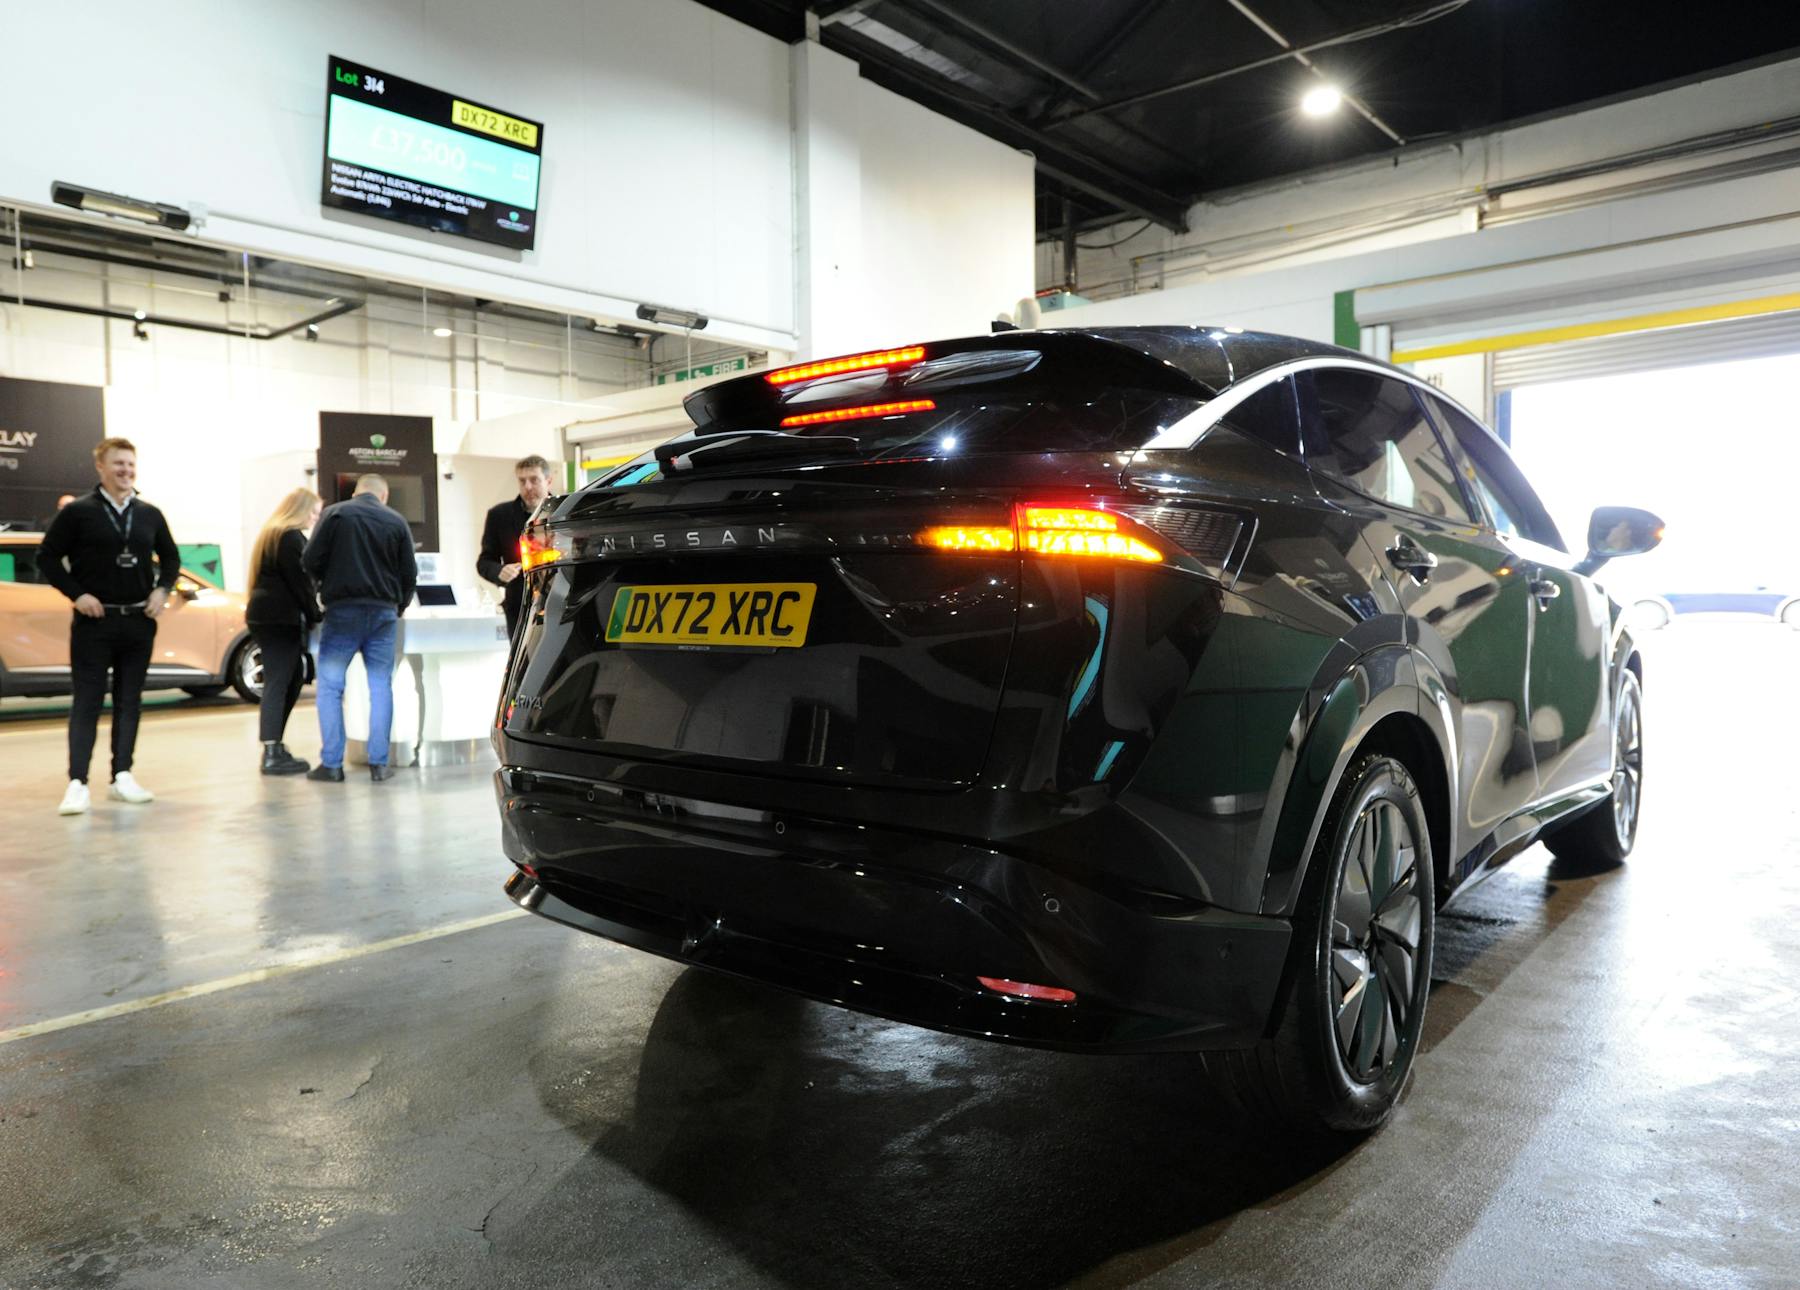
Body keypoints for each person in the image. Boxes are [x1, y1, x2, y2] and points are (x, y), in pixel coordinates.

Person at [40, 437, 180, 815]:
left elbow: (171, 557)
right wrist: (77, 594)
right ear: (100, 467)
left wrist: (162, 590)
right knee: (87, 701)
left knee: (129, 701)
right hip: (94, 624)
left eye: (130, 464)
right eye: (118, 464)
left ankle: (122, 775)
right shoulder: (78, 512)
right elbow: (47, 557)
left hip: (138, 622)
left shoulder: (150, 514)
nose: (126, 471)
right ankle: (77, 783)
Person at [302, 474, 417, 784]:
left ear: (356, 492)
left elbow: (309, 559)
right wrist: (399, 606)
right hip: (383, 614)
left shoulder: (335, 514)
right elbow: (409, 573)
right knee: (380, 687)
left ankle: (332, 765)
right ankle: (379, 764)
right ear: (384, 495)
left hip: (342, 611)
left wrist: (325, 581)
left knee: (330, 687)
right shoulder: (396, 521)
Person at [245, 487, 323, 775]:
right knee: (279, 681)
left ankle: (275, 744)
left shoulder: (272, 535)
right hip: (280, 619)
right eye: (313, 512)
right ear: (300, 510)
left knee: (291, 678)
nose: (315, 518)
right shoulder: (289, 537)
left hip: (267, 616)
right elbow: (300, 584)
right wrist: (316, 615)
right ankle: (271, 750)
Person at [478, 454, 552, 636]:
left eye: (534, 480)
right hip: (519, 607)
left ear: (548, 481)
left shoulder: (565, 512)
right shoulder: (499, 515)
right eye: (522, 481)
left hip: (560, 603)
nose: (528, 487)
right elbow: (484, 562)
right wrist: (499, 571)